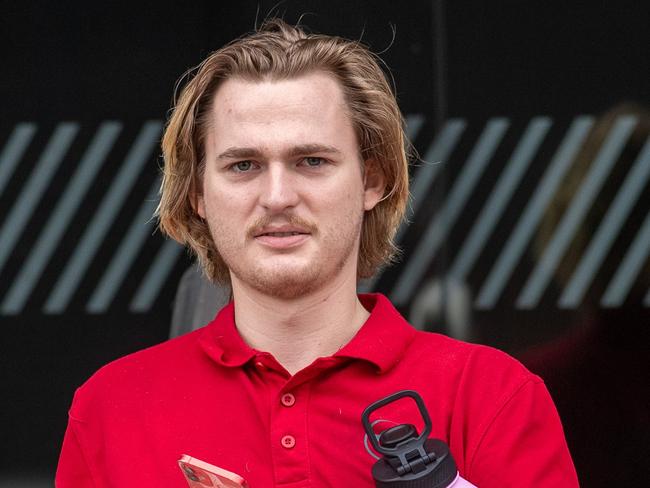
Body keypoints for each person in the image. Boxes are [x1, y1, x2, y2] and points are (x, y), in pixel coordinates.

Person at [56, 19, 578, 487]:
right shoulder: (110, 408)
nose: (278, 196)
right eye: (243, 165)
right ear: (197, 194)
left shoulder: (491, 397)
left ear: (373, 180)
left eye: (311, 160)